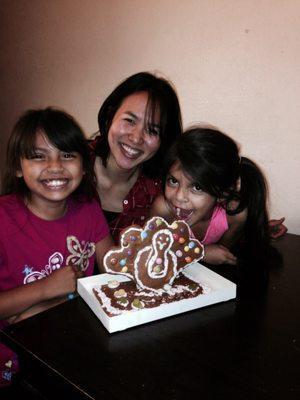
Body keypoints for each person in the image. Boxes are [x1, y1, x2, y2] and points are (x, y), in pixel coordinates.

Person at [0, 107, 113, 387]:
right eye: (39, 156)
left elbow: (114, 266)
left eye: (67, 155)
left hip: (73, 343)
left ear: (84, 165)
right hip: (14, 359)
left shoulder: (88, 208)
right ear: (17, 166)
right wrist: (46, 289)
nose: (55, 166)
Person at [151, 126, 275, 265]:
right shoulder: (163, 209)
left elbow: (222, 257)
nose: (179, 197)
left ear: (223, 193)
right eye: (173, 181)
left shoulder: (234, 215)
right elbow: (149, 251)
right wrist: (200, 253)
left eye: (197, 187)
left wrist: (261, 229)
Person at [89, 71, 182, 242]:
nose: (136, 138)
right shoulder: (69, 164)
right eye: (130, 120)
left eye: (152, 130)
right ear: (111, 114)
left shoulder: (158, 195)